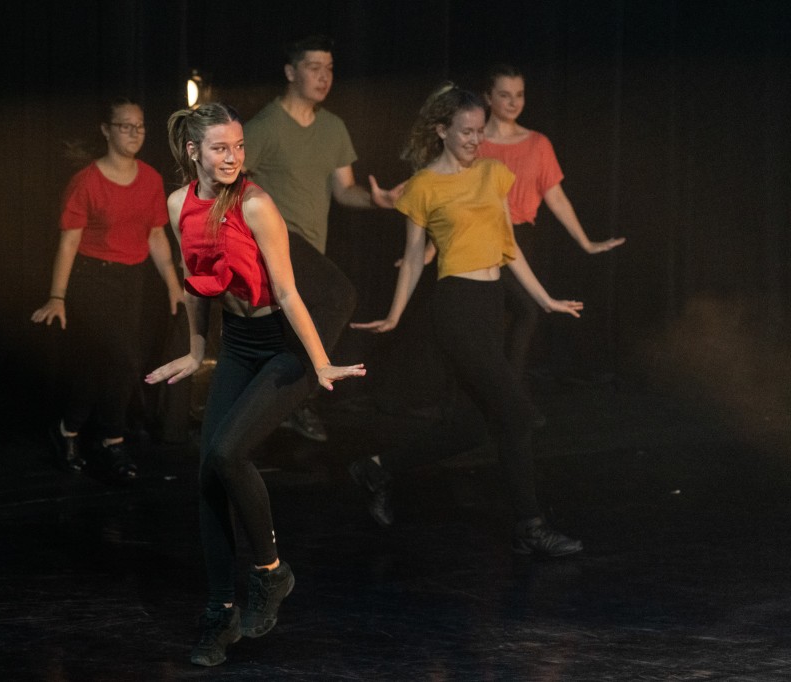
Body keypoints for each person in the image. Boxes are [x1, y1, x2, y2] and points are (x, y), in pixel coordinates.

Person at [146, 103, 365, 666]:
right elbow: (196, 283)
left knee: (227, 451)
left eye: (239, 147)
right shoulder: (178, 204)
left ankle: (270, 572)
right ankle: (220, 612)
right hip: (239, 346)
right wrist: (197, 351)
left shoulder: (256, 204)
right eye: (221, 148)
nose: (233, 157)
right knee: (208, 475)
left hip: (284, 347)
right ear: (193, 151)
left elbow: (288, 293)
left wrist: (320, 363)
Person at [351, 82, 583, 557]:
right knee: (516, 415)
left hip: (490, 303)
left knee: (474, 427)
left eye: (480, 131)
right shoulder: (423, 186)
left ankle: (376, 468)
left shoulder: (494, 173)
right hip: (455, 307)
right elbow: (413, 259)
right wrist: (394, 315)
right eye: (466, 132)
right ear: (442, 130)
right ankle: (530, 526)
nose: (476, 140)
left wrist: (545, 299)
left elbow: (509, 246)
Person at [243, 34, 401, 442]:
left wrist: (378, 200)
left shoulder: (333, 127)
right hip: (276, 242)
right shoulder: (264, 126)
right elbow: (229, 181)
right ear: (290, 72)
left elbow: (344, 190)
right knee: (339, 296)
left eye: (329, 69)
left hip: (312, 248)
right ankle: (298, 398)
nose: (324, 76)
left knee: (293, 338)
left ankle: (277, 411)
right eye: (314, 68)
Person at [31, 98, 184, 477]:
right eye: (125, 126)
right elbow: (69, 241)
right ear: (106, 130)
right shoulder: (87, 181)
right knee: (124, 358)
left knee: (96, 363)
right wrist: (57, 296)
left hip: (130, 282)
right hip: (91, 279)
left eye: (140, 126)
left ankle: (68, 429)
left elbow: (155, 235)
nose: (134, 133)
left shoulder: (150, 179)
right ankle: (111, 439)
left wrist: (172, 284)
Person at [479, 63, 625, 376]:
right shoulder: (474, 143)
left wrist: (586, 242)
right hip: (481, 238)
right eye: (505, 95)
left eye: (519, 94)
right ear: (488, 97)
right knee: (519, 311)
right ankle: (508, 391)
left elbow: (555, 197)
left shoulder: (537, 144)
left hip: (521, 237)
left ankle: (502, 390)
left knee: (516, 313)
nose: (514, 102)